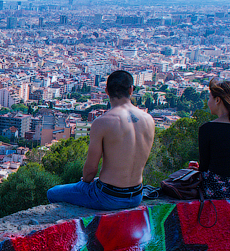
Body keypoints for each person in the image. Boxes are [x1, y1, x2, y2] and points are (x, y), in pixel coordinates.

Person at [46, 70, 155, 209]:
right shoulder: (148, 119)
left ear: (106, 91)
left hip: (109, 196)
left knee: (52, 193)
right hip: (136, 195)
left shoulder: (103, 122)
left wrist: (85, 183)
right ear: (131, 90)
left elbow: (90, 170)